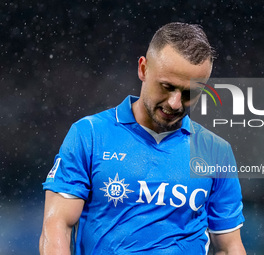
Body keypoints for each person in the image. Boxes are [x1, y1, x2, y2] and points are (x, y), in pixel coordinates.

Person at [39, 22, 246, 255]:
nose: (175, 103)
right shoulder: (90, 135)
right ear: (143, 69)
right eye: (167, 87)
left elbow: (229, 247)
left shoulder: (215, 152)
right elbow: (57, 225)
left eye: (190, 93)